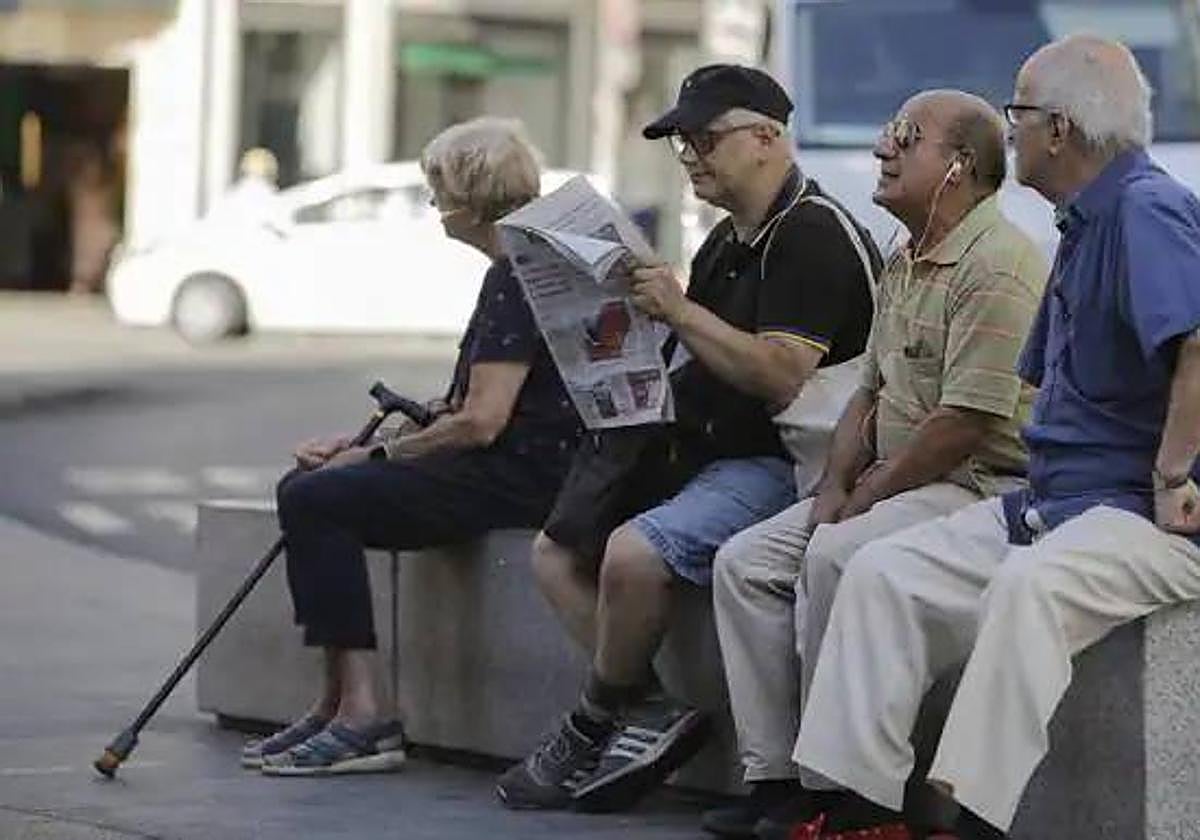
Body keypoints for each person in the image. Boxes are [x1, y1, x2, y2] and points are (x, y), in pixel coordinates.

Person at [791, 35, 1200, 839]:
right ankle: (863, 812)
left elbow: (1197, 340)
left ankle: (969, 819)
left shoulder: (1147, 208)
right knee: (882, 571)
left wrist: (1174, 468)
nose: (1006, 131)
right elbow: (1044, 382)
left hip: (1148, 516)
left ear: (1059, 128)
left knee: (1029, 588)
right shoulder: (1081, 223)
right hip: (1059, 501)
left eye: (1017, 112)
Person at [496, 64, 880, 812]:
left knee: (635, 554)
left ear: (768, 138)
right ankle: (651, 711)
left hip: (786, 461)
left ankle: (593, 720)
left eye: (707, 138)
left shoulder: (810, 233)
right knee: (554, 549)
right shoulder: (726, 240)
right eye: (683, 144)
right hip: (701, 444)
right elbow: (692, 350)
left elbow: (781, 376)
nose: (693, 157)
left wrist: (677, 311)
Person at [705, 90, 1047, 839]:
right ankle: (776, 778)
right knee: (744, 562)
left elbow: (965, 423)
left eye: (904, 137)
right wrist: (833, 485)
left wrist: (861, 499)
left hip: (973, 486)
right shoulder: (906, 256)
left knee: (836, 554)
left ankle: (852, 797)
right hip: (889, 482)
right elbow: (867, 392)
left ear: (957, 167)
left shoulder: (1000, 266)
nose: (881, 151)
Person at [242, 117, 583, 776]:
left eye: (438, 191)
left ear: (468, 201)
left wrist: (371, 458)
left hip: (520, 474)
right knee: (306, 490)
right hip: (524, 463)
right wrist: (366, 440)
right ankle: (337, 699)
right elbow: (470, 406)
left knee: (318, 500)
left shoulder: (517, 273)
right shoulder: (534, 260)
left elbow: (482, 422)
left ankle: (367, 713)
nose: (432, 206)